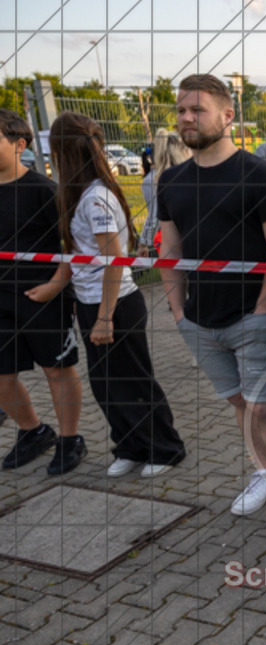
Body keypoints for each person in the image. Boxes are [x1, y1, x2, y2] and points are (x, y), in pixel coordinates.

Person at [158, 74, 266, 529]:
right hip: (200, 321)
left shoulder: (259, 174)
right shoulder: (171, 179)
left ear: (227, 115)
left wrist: (265, 309)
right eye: (181, 110)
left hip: (252, 318)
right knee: (242, 406)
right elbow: (170, 250)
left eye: (197, 110)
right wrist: (179, 313)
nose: (187, 118)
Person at [37, 112, 187, 476]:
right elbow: (78, 255)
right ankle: (131, 446)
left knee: (134, 382)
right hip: (91, 304)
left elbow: (114, 261)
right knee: (107, 386)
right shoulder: (80, 194)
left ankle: (165, 449)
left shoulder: (96, 198)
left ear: (63, 152)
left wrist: (105, 316)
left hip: (116, 305)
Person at [0, 109, 84, 474]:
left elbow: (74, 245)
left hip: (41, 298)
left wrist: (54, 286)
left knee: (56, 370)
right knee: (2, 378)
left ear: (19, 145)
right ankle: (34, 431)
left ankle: (69, 439)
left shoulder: (44, 191)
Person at [140, 129, 191, 257]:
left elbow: (153, 216)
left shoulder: (153, 180)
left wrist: (143, 243)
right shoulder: (157, 180)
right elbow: (155, 215)